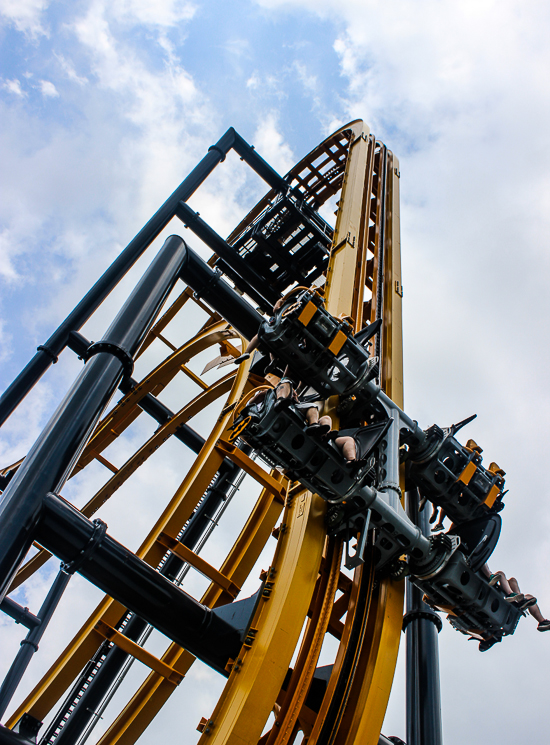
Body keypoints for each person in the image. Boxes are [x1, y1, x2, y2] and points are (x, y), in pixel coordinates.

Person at [481, 565, 550, 631]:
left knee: (514, 582)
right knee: (501, 574)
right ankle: (513, 595)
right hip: (505, 596)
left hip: (512, 598)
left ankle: (542, 621)